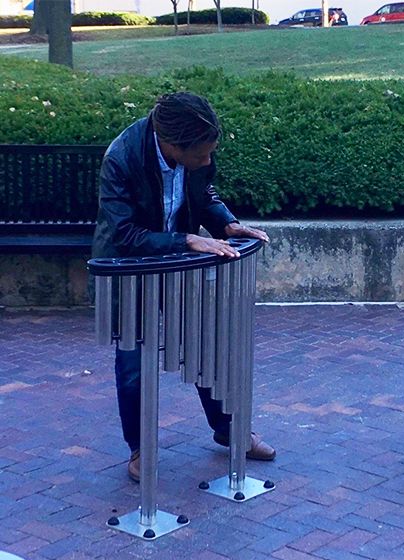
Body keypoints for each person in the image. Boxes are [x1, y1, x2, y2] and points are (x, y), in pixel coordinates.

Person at [92, 92, 276, 482]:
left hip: (178, 266)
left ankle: (230, 430)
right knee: (133, 362)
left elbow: (203, 192)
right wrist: (187, 240)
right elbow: (124, 233)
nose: (209, 161)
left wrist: (226, 223)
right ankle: (140, 449)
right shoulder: (121, 158)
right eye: (203, 155)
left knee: (204, 347)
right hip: (129, 269)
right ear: (173, 145)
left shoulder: (195, 145)